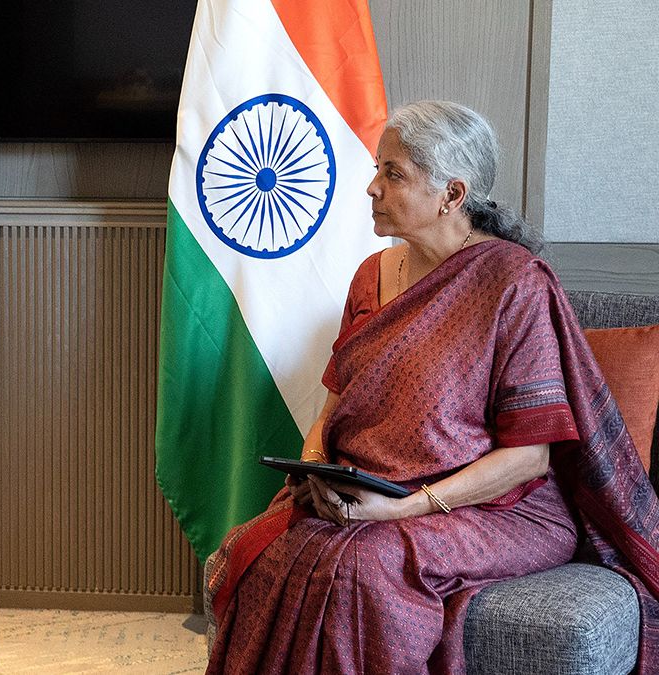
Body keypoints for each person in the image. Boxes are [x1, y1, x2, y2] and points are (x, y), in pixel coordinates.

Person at [202, 100, 659, 673]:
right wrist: (316, 471)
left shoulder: (514, 285)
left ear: (452, 193)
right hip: (366, 491)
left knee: (362, 568)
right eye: (377, 169)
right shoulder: (371, 277)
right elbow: (331, 411)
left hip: (499, 508)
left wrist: (405, 507)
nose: (371, 187)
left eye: (392, 173)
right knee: (261, 550)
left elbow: (528, 458)